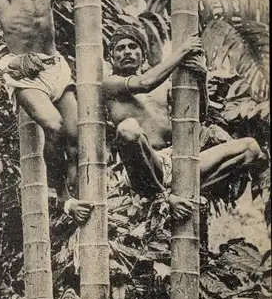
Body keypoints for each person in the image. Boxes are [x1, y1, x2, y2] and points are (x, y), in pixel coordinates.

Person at [0, 0, 109, 224]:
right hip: (25, 74)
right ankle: (62, 197)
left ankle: (73, 199)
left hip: (55, 67)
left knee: (74, 134)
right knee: (54, 127)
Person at [102, 25, 265, 220]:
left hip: (176, 162)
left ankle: (189, 194)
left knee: (251, 148)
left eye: (132, 46)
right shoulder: (109, 84)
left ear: (143, 55)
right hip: (145, 167)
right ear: (111, 56)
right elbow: (145, 83)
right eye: (120, 48)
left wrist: (201, 78)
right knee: (128, 129)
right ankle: (162, 198)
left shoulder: (165, 87)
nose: (127, 52)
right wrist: (184, 50)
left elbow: (198, 118)